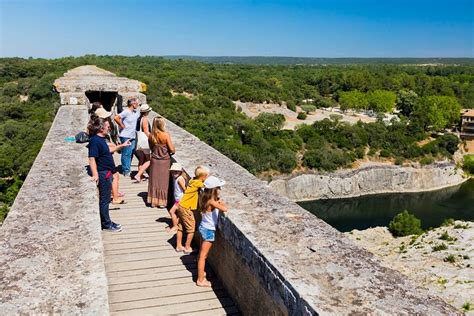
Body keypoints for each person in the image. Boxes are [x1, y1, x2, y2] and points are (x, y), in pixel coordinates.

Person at [87, 117, 131, 232]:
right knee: (105, 200)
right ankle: (106, 224)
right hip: (103, 174)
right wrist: (95, 175)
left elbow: (108, 151)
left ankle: (108, 221)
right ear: (101, 128)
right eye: (107, 126)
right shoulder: (95, 141)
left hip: (107, 172)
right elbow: (92, 159)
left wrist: (122, 145)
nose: (109, 128)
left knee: (105, 200)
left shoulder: (101, 139)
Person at [196, 176, 227, 287]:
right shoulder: (212, 201)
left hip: (203, 226)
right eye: (218, 187)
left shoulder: (205, 198)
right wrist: (221, 203)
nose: (219, 189)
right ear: (214, 189)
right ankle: (200, 279)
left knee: (201, 254)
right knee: (203, 256)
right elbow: (225, 209)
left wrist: (217, 201)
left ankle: (201, 272)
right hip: (209, 229)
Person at [94, 107, 126, 204]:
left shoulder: (95, 127)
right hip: (104, 160)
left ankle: (114, 193)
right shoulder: (99, 130)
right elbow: (104, 146)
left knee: (114, 176)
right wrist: (118, 146)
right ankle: (115, 197)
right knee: (115, 176)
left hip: (105, 158)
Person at [175, 166, 209, 254]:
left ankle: (178, 246)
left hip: (181, 205)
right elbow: (207, 186)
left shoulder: (193, 180)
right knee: (191, 229)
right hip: (186, 208)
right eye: (206, 176)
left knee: (181, 226)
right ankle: (187, 247)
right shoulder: (198, 183)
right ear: (203, 177)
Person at [147, 116, 175, 208]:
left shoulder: (151, 135)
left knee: (154, 181)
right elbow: (172, 149)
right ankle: (162, 202)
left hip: (154, 161)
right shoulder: (166, 135)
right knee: (163, 182)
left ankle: (153, 202)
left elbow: (151, 148)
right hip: (164, 161)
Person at [114, 98, 140, 177]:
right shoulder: (126, 112)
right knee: (126, 153)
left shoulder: (134, 112)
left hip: (132, 136)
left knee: (131, 152)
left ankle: (127, 168)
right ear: (133, 104)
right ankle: (126, 170)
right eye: (137, 103)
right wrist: (122, 125)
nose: (138, 105)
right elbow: (116, 118)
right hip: (125, 136)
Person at [133, 104, 152, 183]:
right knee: (149, 160)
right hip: (145, 142)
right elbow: (146, 131)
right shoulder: (144, 119)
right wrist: (152, 138)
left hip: (139, 142)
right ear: (147, 112)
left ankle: (140, 176)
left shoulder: (139, 118)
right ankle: (138, 175)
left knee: (141, 159)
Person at [166, 163, 186, 233]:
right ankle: (175, 224)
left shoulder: (179, 179)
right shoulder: (177, 178)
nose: (174, 173)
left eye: (176, 171)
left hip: (180, 200)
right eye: (173, 171)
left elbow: (185, 190)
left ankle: (175, 226)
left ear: (180, 172)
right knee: (178, 214)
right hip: (178, 199)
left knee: (172, 211)